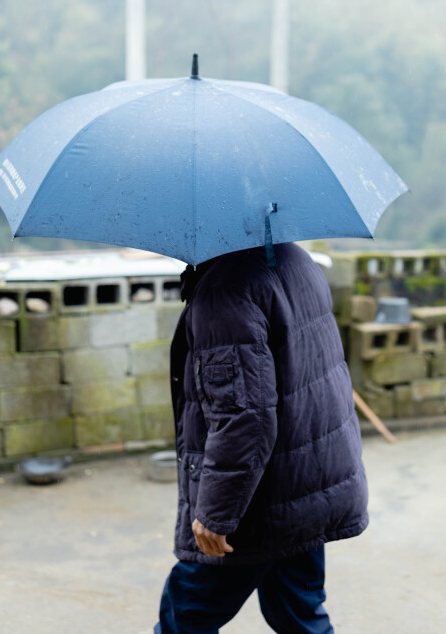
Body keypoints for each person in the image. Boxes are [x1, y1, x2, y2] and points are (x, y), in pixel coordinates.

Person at [155, 242, 369, 634]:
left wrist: (216, 514)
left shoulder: (227, 289)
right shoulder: (292, 258)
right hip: (306, 484)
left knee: (185, 615)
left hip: (258, 503)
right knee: (300, 616)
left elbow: (243, 418)